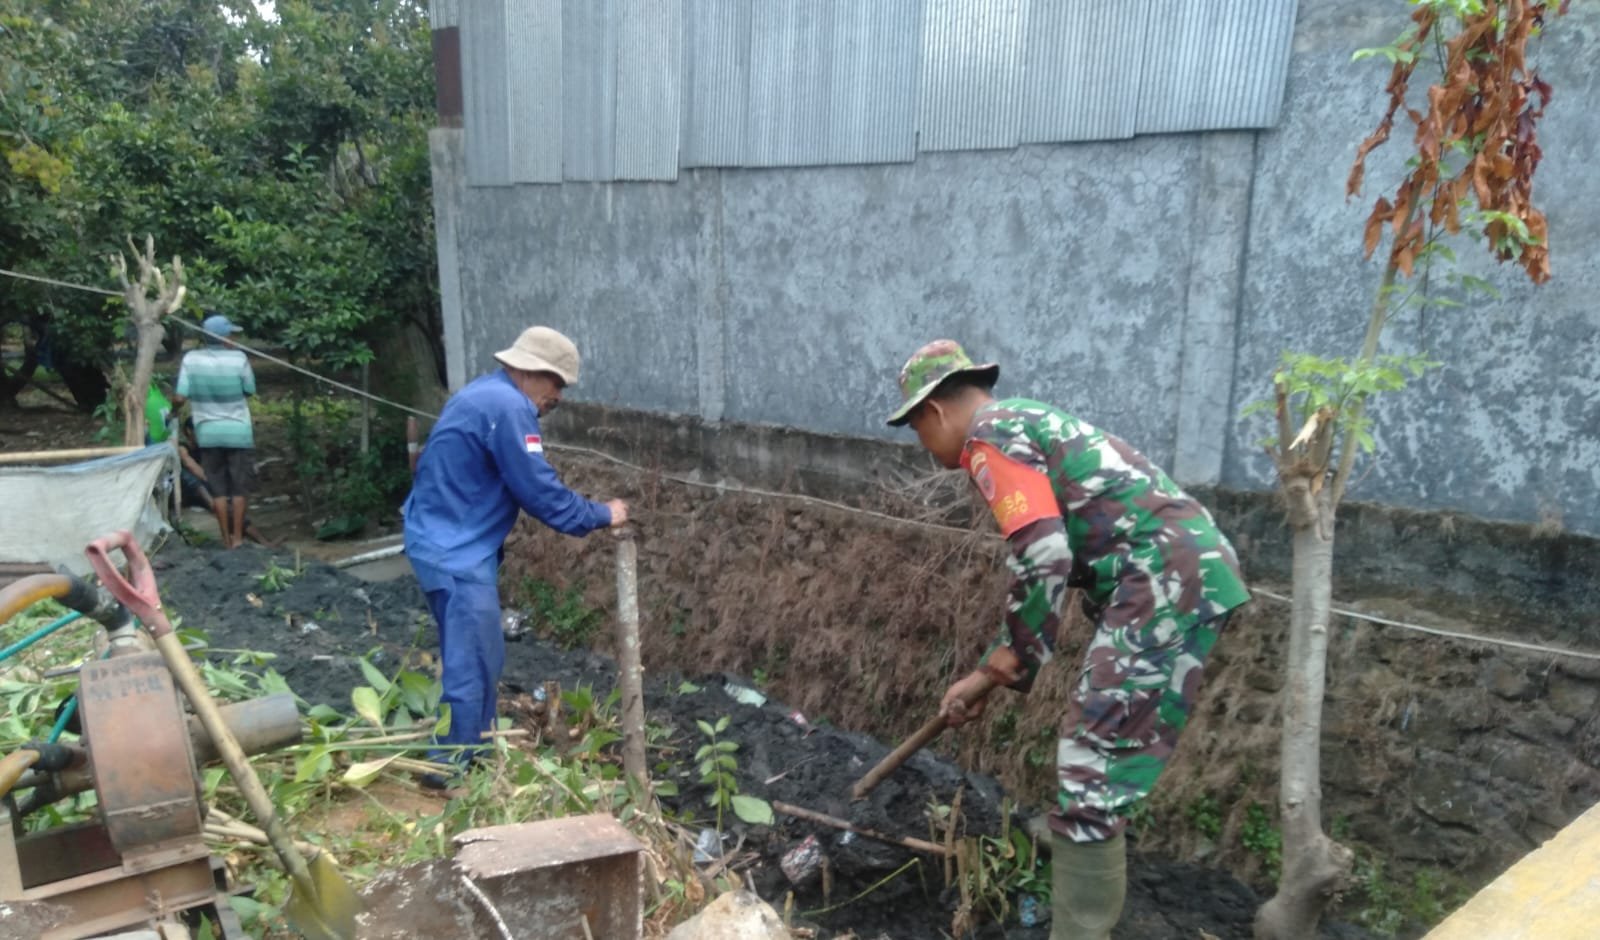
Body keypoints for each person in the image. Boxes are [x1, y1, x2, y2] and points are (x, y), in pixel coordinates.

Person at [886, 340, 1251, 940]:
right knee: (1097, 746)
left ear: (936, 411)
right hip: (1179, 570)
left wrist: (1007, 658)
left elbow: (1046, 554)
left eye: (917, 429)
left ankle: (1080, 917)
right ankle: (1079, 843)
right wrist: (992, 669)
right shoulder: (1025, 421)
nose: (924, 446)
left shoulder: (989, 438)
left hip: (1164, 576)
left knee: (1093, 762)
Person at [402, 325, 628, 786]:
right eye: (557, 383)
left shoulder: (484, 394)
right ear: (529, 371)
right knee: (471, 665)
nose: (558, 396)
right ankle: (447, 771)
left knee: (480, 656)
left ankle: (477, 754)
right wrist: (603, 514)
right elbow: (539, 491)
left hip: (443, 541)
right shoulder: (509, 408)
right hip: (456, 553)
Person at [173, 314, 257, 549]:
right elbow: (249, 389)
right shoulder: (239, 359)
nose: (233, 339)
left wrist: (173, 411)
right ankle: (238, 538)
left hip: (208, 435)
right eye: (231, 335)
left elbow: (180, 397)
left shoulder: (191, 359)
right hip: (238, 432)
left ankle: (226, 540)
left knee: (218, 490)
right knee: (239, 488)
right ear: (224, 338)